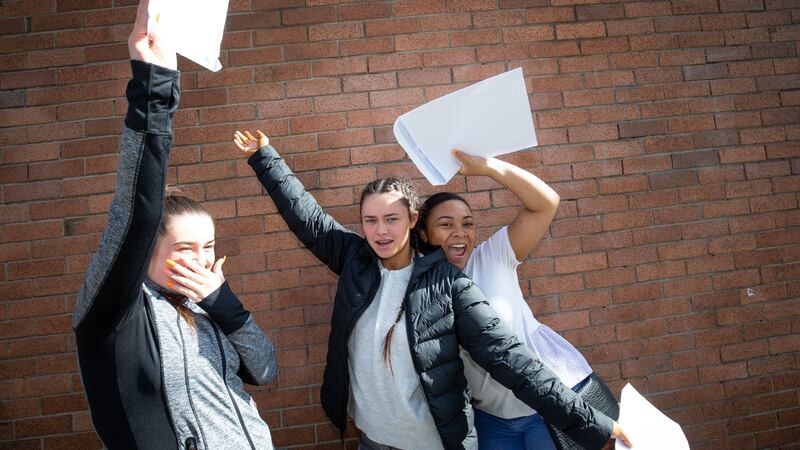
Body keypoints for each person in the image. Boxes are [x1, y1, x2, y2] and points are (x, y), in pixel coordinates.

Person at [233, 131, 630, 450]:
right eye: (370, 220)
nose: (380, 230)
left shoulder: (450, 285)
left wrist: (595, 424)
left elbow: (511, 360)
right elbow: (309, 219)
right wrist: (266, 157)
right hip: (371, 438)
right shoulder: (355, 260)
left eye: (391, 218)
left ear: (412, 221)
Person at [72, 3, 277, 449]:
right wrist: (155, 84)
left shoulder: (208, 303)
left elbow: (264, 370)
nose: (202, 260)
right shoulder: (116, 312)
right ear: (146, 250)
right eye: (186, 248)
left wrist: (223, 303)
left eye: (209, 246)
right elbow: (137, 211)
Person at [414, 150, 612, 449]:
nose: (460, 233)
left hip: (550, 411)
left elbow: (545, 203)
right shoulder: (421, 288)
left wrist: (489, 167)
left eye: (467, 224)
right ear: (424, 234)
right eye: (446, 224)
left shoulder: (493, 256)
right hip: (491, 421)